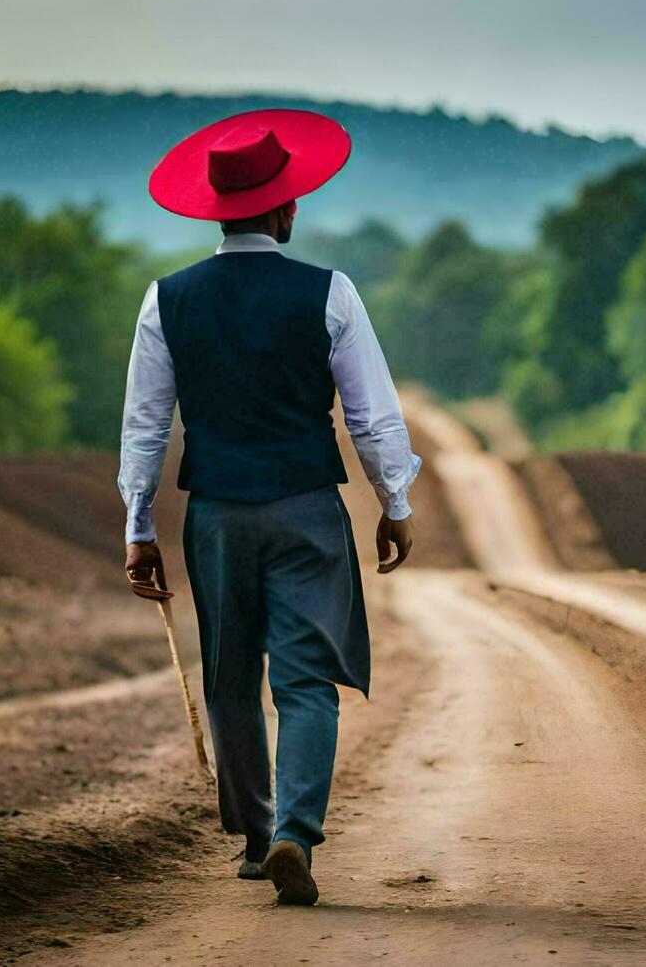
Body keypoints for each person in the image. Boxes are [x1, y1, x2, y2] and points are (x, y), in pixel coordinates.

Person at [117, 109, 420, 906]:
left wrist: (138, 526)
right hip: (307, 510)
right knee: (307, 681)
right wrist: (395, 500)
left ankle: (257, 840)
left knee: (228, 678)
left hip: (215, 513)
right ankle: (295, 832)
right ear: (286, 210)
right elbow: (372, 416)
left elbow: (147, 425)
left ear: (216, 211)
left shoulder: (166, 300)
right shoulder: (331, 292)